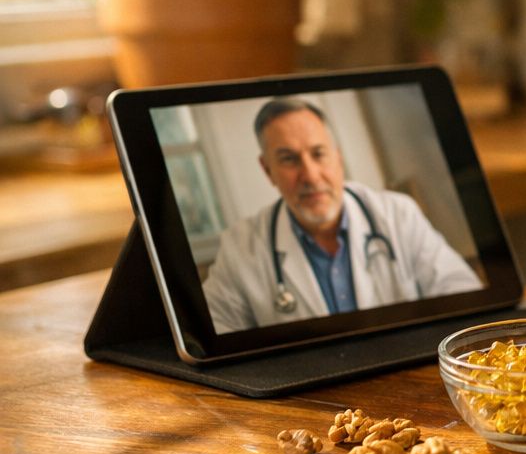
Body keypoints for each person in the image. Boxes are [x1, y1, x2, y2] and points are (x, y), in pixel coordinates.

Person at [202, 97, 483, 333]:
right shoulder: (240, 249)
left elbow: (464, 297)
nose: (310, 176)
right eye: (289, 159)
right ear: (267, 170)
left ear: (338, 157)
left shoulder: (398, 214)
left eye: (318, 154)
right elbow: (214, 335)